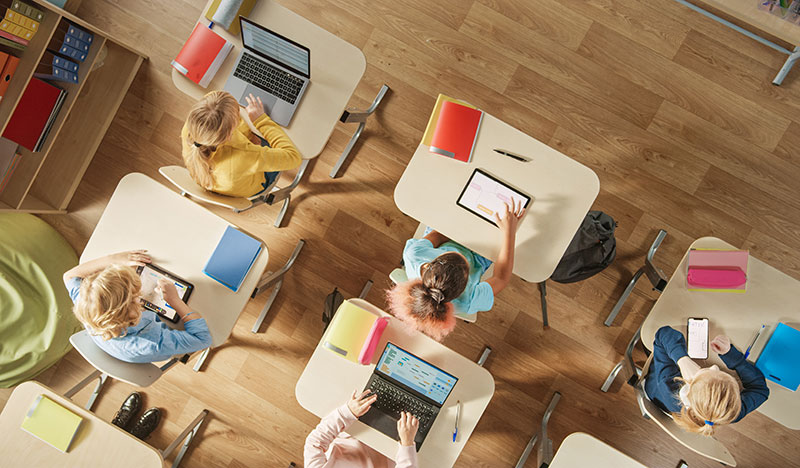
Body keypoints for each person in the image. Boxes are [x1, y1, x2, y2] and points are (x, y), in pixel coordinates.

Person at [386, 200, 525, 340]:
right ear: (465, 285)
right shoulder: (469, 301)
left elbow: (438, 235)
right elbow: (501, 278)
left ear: (429, 265)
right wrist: (509, 232)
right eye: (464, 264)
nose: (461, 255)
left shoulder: (414, 255)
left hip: (445, 237)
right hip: (477, 258)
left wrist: (464, 222)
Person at [63, 250, 212, 363]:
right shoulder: (153, 343)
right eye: (136, 296)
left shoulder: (88, 302)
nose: (139, 295)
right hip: (160, 341)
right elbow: (203, 339)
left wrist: (113, 259)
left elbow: (69, 276)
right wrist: (175, 301)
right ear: (133, 311)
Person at [644, 325, 769, 435]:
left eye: (710, 373)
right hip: (670, 404)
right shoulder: (730, 412)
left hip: (655, 386)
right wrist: (732, 357)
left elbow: (663, 334)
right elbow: (760, 389)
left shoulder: (667, 383)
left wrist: (682, 360)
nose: (715, 367)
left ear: (692, 383)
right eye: (719, 371)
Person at [180, 90, 302, 198]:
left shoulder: (191, 130)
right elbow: (293, 157)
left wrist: (248, 136)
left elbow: (211, 97)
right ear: (229, 135)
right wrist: (261, 120)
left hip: (215, 180)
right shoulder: (246, 155)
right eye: (237, 116)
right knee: (289, 133)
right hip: (257, 182)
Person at [304, 390, 419, 468]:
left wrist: (347, 412)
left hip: (356, 429)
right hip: (392, 448)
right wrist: (407, 444)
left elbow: (314, 443)